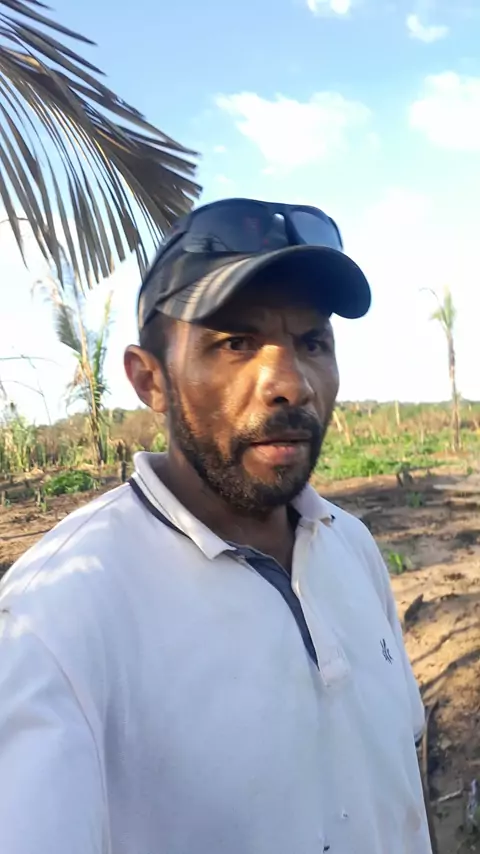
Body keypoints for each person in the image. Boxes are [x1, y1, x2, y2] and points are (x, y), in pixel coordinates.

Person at [0, 198, 432, 854]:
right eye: (235, 344)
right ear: (150, 380)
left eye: (313, 342)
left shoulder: (351, 545)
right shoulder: (57, 621)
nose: (290, 383)